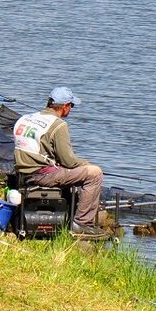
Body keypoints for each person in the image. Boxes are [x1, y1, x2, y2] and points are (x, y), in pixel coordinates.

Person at [13, 88, 109, 240]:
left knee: (77, 171)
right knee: (95, 173)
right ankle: (82, 224)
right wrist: (85, 164)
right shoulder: (58, 125)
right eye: (72, 106)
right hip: (41, 176)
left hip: (21, 174)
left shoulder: (26, 118)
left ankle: (72, 213)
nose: (71, 109)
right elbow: (68, 161)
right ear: (65, 106)